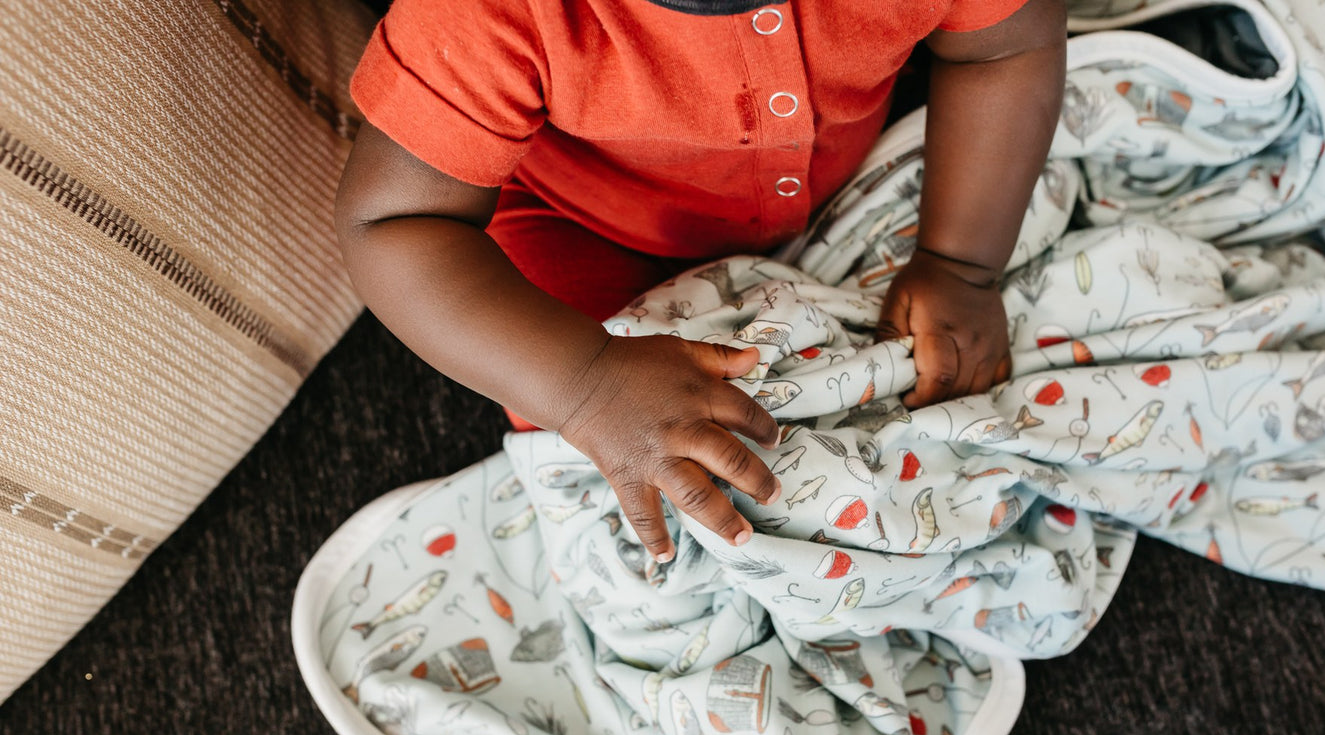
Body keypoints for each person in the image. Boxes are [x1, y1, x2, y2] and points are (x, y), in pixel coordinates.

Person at [334, 0, 1066, 565]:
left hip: (840, 185)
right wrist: (588, 385)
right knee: (615, 473)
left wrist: (960, 260)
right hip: (577, 222)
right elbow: (393, 223)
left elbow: (1002, 48)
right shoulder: (486, 13)